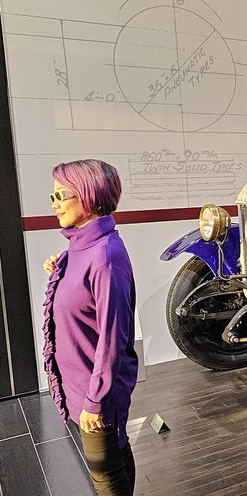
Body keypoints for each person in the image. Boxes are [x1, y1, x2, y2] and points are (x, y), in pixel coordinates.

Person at [41, 159, 138, 495]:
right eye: (52, 197)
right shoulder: (78, 247)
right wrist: (60, 269)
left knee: (107, 475)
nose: (54, 204)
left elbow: (113, 338)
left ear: (88, 195)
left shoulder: (105, 257)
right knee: (114, 457)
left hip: (94, 391)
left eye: (60, 196)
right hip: (80, 384)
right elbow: (81, 304)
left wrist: (95, 400)